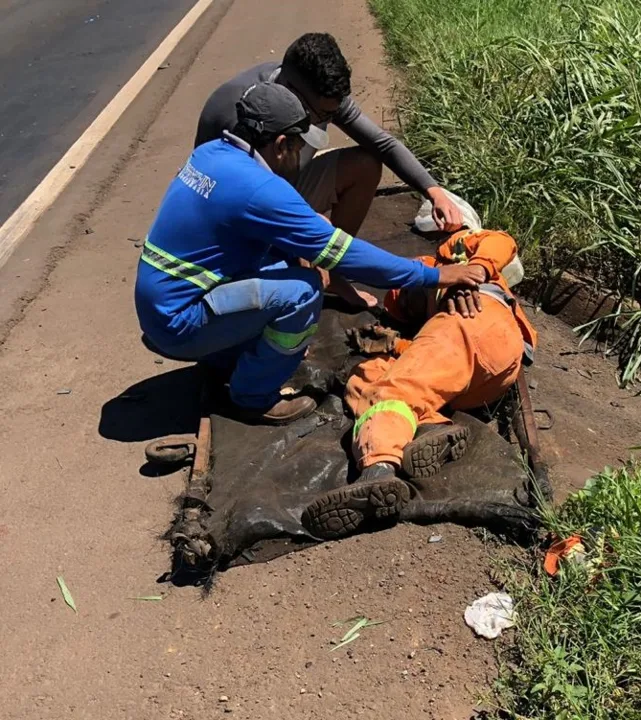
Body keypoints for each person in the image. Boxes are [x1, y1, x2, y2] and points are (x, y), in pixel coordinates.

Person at [136, 83, 483, 425]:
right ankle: (252, 397)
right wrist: (433, 275)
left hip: (160, 302)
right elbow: (344, 254)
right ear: (281, 144)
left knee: (287, 259)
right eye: (299, 146)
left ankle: (228, 351)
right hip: (178, 321)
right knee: (304, 290)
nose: (301, 156)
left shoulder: (212, 154)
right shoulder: (259, 189)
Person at [301, 228, 537, 540]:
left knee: (392, 389)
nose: (411, 304)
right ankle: (429, 429)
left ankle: (379, 470)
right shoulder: (432, 323)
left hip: (481, 322)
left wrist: (471, 274)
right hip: (473, 382)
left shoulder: (452, 257)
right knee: (368, 378)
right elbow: (428, 354)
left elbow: (502, 240)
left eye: (410, 295)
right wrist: (394, 345)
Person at [195, 32, 463, 239]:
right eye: (321, 114)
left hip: (283, 187)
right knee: (299, 285)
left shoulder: (320, 96)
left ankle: (333, 270)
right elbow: (238, 201)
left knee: (365, 164)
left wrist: (435, 192)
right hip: (233, 213)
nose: (326, 120)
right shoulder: (241, 117)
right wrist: (305, 224)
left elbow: (383, 144)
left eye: (332, 113)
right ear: (290, 90)